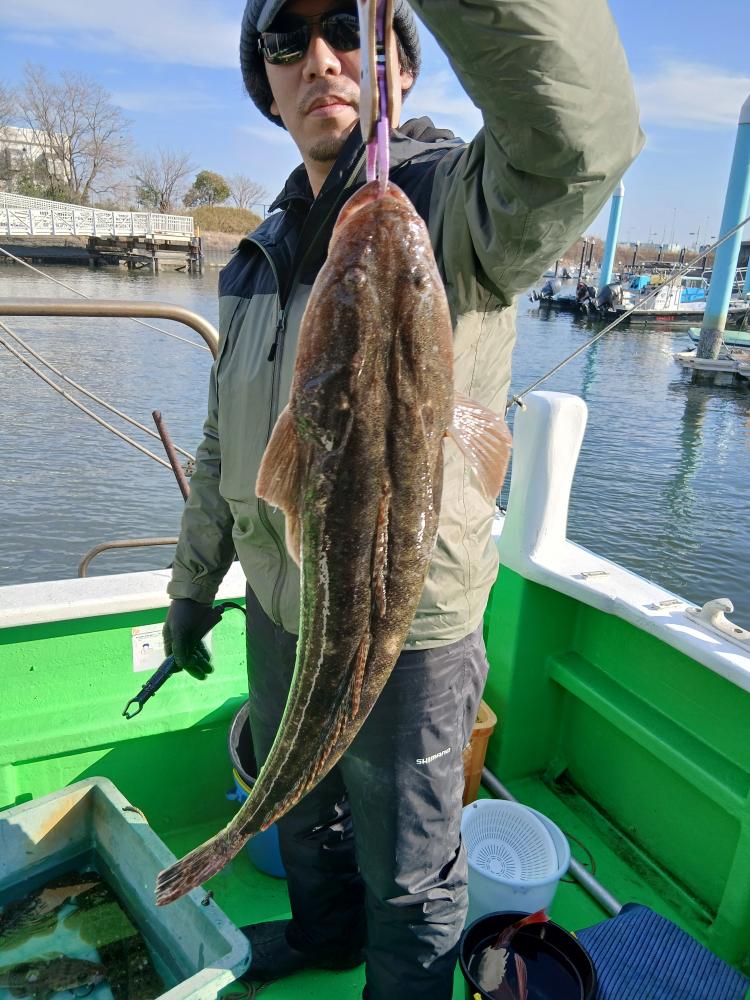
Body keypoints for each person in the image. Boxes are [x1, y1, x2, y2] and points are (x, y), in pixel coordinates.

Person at [163, 0, 643, 996]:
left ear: (399, 62)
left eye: (347, 26)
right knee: (304, 812)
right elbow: (225, 447)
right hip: (281, 607)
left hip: (412, 630)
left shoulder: (458, 208)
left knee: (412, 867)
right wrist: (191, 588)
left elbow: (575, 146)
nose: (320, 58)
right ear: (267, 84)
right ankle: (324, 935)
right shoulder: (256, 254)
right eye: (286, 41)